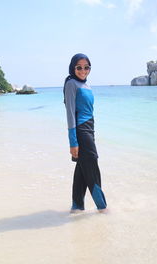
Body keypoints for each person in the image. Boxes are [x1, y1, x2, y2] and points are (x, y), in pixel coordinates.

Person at [63, 53, 108, 214]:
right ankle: (102, 207)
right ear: (73, 67)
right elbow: (70, 113)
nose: (83, 70)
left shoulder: (86, 86)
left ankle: (76, 207)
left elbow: (89, 111)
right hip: (80, 130)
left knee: (82, 169)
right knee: (92, 164)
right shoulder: (71, 84)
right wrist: (73, 141)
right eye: (79, 67)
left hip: (90, 128)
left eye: (86, 67)